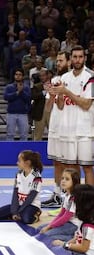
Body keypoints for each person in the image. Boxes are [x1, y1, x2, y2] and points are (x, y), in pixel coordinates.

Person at [49, 46, 94, 185]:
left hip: (85, 130)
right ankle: (76, 200)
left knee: (87, 167)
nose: (77, 60)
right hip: (68, 130)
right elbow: (61, 105)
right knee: (72, 168)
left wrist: (66, 91)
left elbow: (86, 104)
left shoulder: (90, 76)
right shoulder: (64, 77)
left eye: (80, 57)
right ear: (71, 59)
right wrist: (58, 94)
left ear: (85, 58)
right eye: (75, 57)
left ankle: (90, 201)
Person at [42, 50, 70, 207]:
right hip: (55, 126)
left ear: (69, 61)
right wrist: (51, 96)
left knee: (70, 163)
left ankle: (69, 195)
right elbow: (47, 108)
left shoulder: (71, 80)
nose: (58, 64)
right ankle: (57, 194)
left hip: (69, 127)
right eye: (57, 61)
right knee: (57, 162)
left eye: (61, 61)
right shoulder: (55, 79)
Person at [0, 150, 43, 224]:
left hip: (31, 205)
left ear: (27, 163)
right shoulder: (18, 174)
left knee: (27, 219)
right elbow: (15, 194)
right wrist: (14, 211)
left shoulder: (36, 176)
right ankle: (18, 215)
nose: (17, 163)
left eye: (19, 161)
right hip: (19, 205)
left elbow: (31, 197)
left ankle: (36, 214)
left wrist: (19, 211)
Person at [52, 184, 94, 255]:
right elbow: (77, 237)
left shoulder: (88, 225)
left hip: (87, 254)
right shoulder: (86, 218)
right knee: (57, 247)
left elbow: (83, 248)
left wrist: (64, 245)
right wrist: (65, 244)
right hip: (81, 248)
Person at [38, 168, 81, 241]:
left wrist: (49, 227)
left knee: (46, 235)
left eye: (67, 179)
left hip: (74, 226)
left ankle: (73, 238)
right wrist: (50, 225)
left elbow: (66, 217)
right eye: (62, 178)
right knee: (40, 229)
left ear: (74, 182)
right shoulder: (67, 195)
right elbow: (61, 213)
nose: (63, 181)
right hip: (67, 223)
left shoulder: (73, 197)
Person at [4, 68, 31, 141]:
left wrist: (21, 92)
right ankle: (9, 149)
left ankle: (24, 151)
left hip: (23, 114)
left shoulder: (26, 87)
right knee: (10, 134)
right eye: (16, 74)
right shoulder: (9, 87)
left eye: (20, 75)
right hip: (11, 113)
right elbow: (6, 97)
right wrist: (17, 92)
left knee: (24, 135)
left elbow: (28, 98)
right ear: (14, 76)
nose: (18, 76)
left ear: (22, 76)